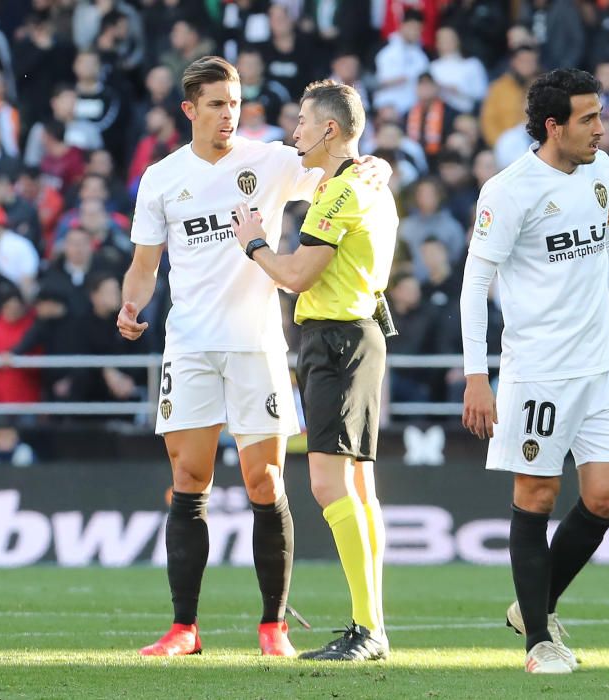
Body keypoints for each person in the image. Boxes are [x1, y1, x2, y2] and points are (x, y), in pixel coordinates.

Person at [116, 56, 387, 659]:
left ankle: (274, 628)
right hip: (188, 345)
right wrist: (131, 306)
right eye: (216, 104)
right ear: (189, 110)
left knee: (265, 481)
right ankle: (184, 628)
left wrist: (378, 167)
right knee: (189, 479)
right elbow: (143, 268)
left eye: (235, 102)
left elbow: (345, 161)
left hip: (256, 344)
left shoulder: (270, 160)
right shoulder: (161, 178)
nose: (229, 114)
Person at [460, 69, 609, 674]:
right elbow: (475, 283)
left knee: (605, 496)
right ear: (553, 126)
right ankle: (538, 645)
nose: (601, 129)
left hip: (599, 364)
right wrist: (479, 374)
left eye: (601, 116)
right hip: (540, 371)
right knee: (538, 494)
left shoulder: (600, 172)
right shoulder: (509, 189)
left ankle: (535, 606)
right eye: (588, 119)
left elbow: (606, 250)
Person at [232, 79, 397, 662]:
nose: (293, 129)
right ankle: (371, 625)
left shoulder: (341, 193)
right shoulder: (359, 181)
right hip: (355, 337)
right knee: (358, 488)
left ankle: (367, 628)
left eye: (302, 120)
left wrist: (254, 243)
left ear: (330, 129)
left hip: (337, 341)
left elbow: (298, 275)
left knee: (329, 484)